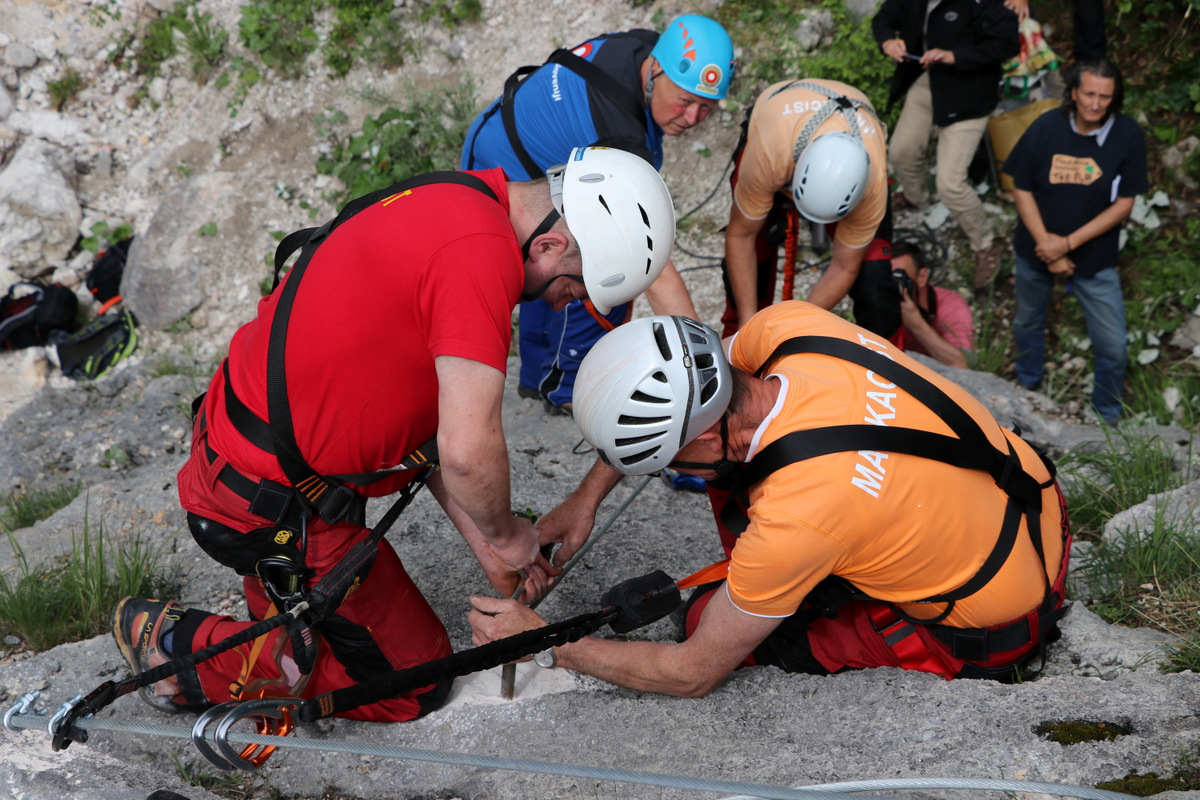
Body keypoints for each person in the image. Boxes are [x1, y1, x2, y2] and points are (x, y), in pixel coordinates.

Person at [110, 146, 677, 722]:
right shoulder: (479, 260)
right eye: (576, 289)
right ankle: (181, 648)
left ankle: (286, 627)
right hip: (268, 507)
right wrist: (509, 538)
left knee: (341, 634)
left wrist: (489, 545)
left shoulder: (464, 198)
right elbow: (465, 453)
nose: (567, 306)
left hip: (252, 461)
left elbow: (429, 431)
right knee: (412, 685)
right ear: (552, 244)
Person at [471, 304, 1070, 693]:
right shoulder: (787, 329)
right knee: (754, 520)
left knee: (704, 620)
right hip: (1030, 505)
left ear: (703, 435)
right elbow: (692, 400)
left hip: (996, 625)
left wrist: (549, 642)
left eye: (661, 460)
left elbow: (694, 673)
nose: (660, 473)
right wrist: (585, 501)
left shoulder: (798, 515)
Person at [462, 15, 734, 413]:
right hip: (505, 165)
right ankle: (568, 388)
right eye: (685, 101)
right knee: (607, 269)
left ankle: (538, 378)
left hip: (498, 130)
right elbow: (649, 265)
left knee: (540, 269)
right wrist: (703, 365)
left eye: (706, 107)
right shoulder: (619, 132)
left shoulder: (644, 47)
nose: (692, 118)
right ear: (655, 72)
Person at [1004, 58, 1146, 426]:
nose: (1096, 104)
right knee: (1028, 322)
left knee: (1113, 345)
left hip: (1095, 257)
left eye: (1105, 97)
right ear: (1073, 92)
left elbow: (1124, 204)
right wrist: (1048, 248)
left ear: (1115, 99)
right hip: (1035, 249)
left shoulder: (1127, 134)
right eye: (1089, 94)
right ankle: (1026, 391)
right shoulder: (1047, 126)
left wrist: (1064, 245)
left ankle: (1107, 418)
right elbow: (1021, 186)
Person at [721, 78, 894, 339]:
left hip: (847, 143)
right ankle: (735, 337)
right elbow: (740, 236)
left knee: (876, 284)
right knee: (754, 256)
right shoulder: (770, 151)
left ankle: (885, 366)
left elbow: (845, 267)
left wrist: (795, 328)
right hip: (780, 121)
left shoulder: (872, 184)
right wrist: (747, 329)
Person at [872, 0, 1019, 290]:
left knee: (951, 184)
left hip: (970, 96)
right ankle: (916, 197)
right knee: (901, 152)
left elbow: (1007, 43)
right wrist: (888, 41)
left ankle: (985, 243)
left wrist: (955, 56)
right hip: (929, 84)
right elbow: (885, 17)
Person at [888, 240, 975, 368]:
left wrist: (916, 324)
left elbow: (964, 365)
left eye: (901, 277)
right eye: (889, 279)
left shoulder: (951, 307)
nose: (895, 286)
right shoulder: (881, 305)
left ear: (922, 277)